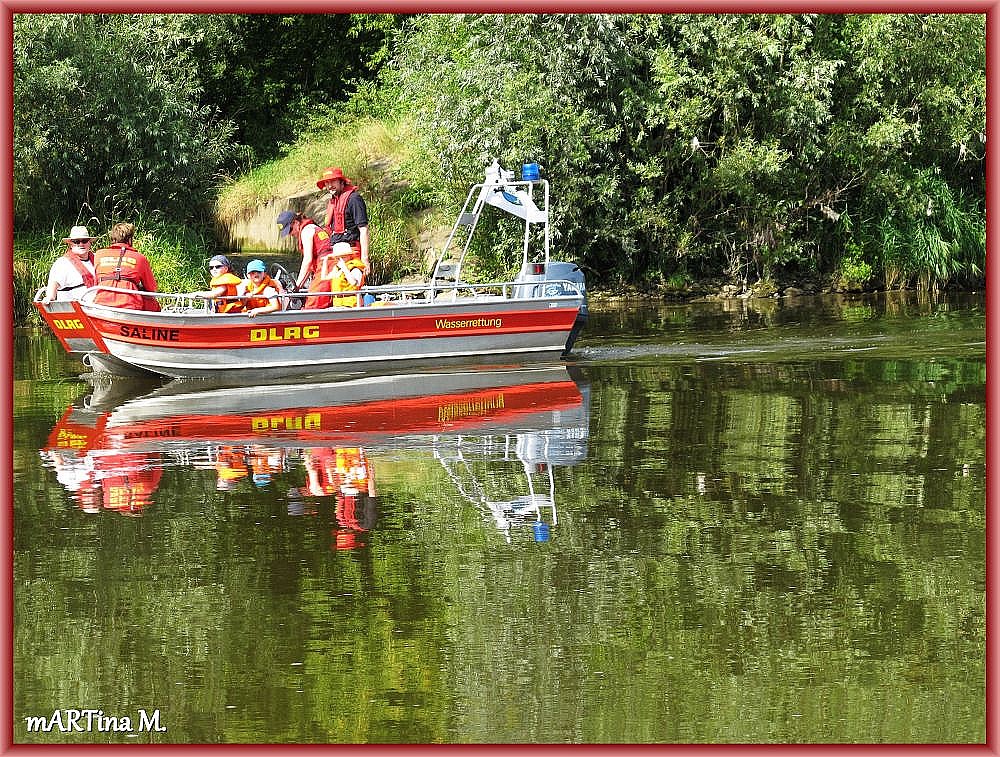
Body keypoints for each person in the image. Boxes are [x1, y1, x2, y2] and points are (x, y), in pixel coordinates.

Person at [317, 166, 370, 278]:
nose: (329, 185)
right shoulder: (334, 201)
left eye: (333, 181)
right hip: (337, 251)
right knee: (334, 286)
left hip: (351, 251)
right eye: (327, 182)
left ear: (342, 182)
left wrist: (365, 259)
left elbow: (364, 229)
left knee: (351, 286)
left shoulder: (354, 199)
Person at [93, 222, 160, 311]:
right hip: (129, 306)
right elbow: (152, 289)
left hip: (101, 304)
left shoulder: (99, 254)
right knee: (152, 303)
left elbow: (96, 282)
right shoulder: (139, 258)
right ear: (130, 239)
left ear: (112, 238)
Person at [277, 210, 335, 308]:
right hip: (328, 266)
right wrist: (298, 286)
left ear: (295, 223)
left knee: (313, 304)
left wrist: (297, 286)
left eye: (290, 230)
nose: (290, 234)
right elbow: (310, 266)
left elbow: (307, 261)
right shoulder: (312, 228)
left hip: (326, 267)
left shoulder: (306, 231)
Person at [42, 225, 97, 303]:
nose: (81, 244)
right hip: (76, 309)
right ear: (71, 244)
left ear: (89, 243)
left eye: (84, 241)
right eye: (76, 242)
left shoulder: (97, 258)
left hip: (98, 306)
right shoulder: (63, 263)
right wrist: (50, 297)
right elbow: (54, 283)